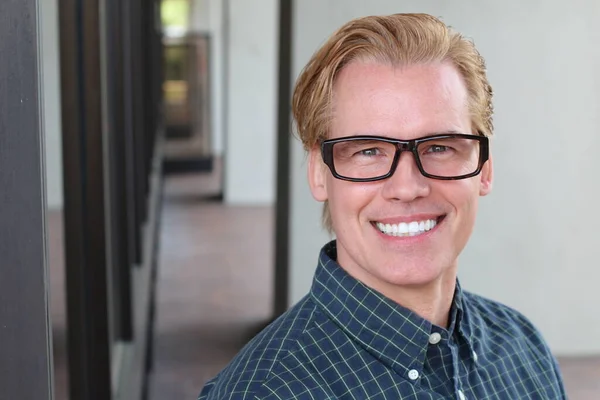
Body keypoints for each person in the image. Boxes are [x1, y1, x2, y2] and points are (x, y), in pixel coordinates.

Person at [198, 13, 567, 400]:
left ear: (485, 169)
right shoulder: (263, 392)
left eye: (439, 147)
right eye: (369, 150)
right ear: (319, 174)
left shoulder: (525, 352)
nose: (407, 187)